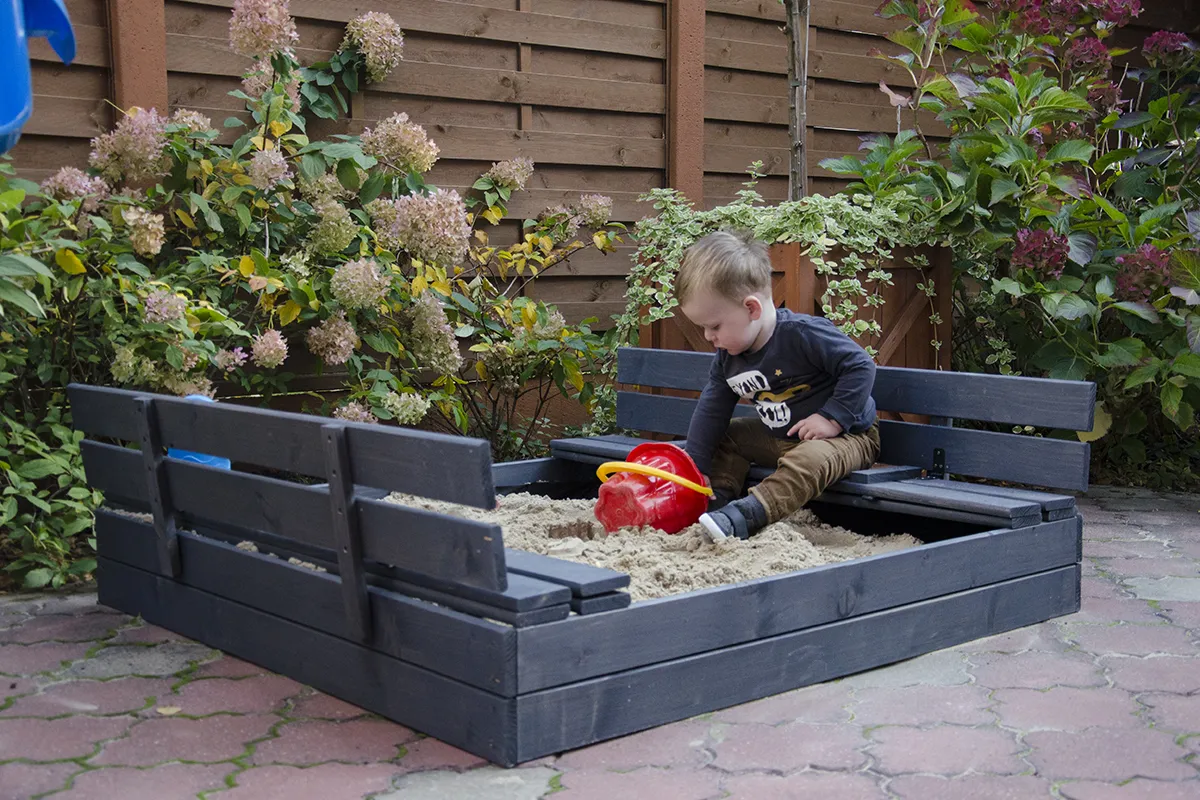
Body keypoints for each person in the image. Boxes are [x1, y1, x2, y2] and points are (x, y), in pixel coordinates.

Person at [675, 229, 881, 541]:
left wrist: (832, 418)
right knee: (726, 436)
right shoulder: (729, 357)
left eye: (714, 326)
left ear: (751, 308)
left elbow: (860, 365)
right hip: (782, 437)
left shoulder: (802, 335)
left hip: (850, 437)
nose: (708, 337)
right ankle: (717, 502)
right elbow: (713, 407)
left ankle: (749, 514)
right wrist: (695, 464)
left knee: (808, 459)